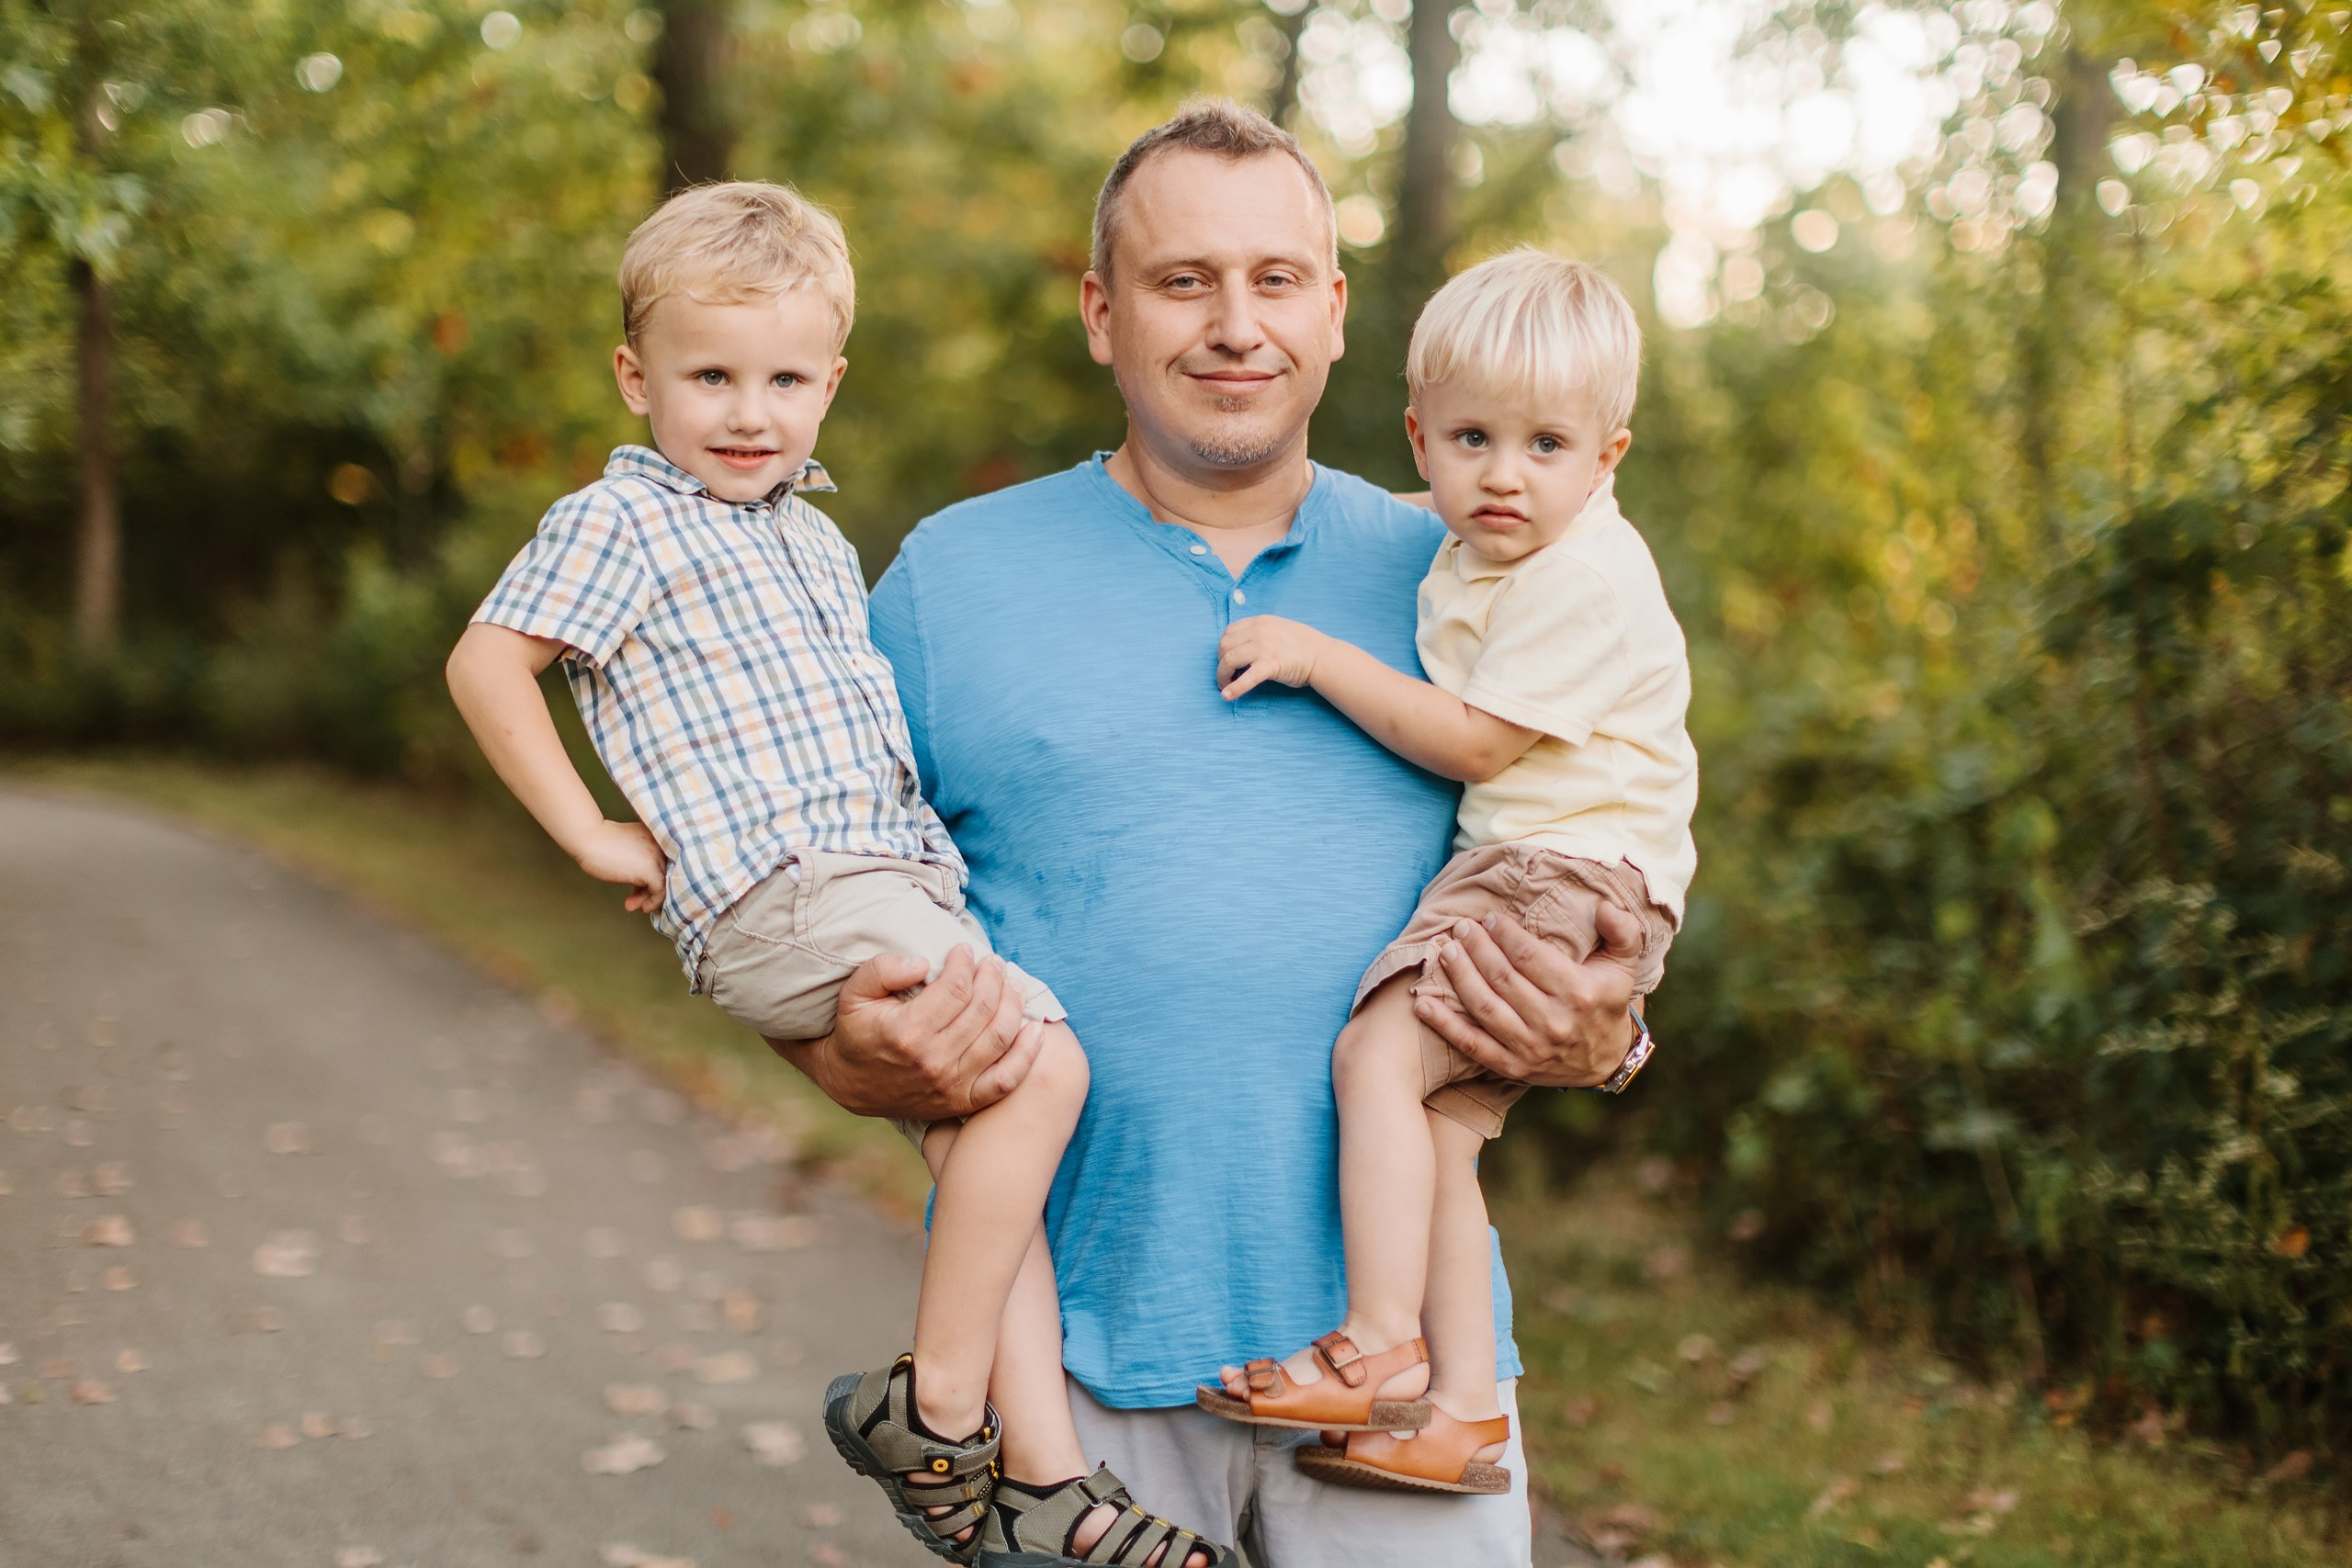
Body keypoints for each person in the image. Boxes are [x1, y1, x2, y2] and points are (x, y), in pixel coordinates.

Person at [775, 103, 1651, 1566]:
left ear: (1336, 314)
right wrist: (827, 1045)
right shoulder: (953, 580)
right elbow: (805, 888)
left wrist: (1612, 1036)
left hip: (1413, 1383)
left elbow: (1603, 846)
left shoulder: (1483, 569)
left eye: (1276, 279)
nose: (1235, 324)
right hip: (1070, 1385)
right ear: (1103, 315)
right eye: (1184, 281)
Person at [444, 181, 1228, 1568]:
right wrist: (588, 832)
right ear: (638, 378)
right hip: (785, 886)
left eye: (785, 378)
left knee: (999, 1152)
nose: (749, 412)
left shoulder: (810, 537)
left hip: (882, 883)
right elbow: (488, 659)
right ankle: (930, 1414)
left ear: (831, 382)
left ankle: (1049, 1490)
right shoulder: (623, 523)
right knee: (1046, 1071)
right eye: (710, 377)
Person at [1199, 251, 1695, 1497]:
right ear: (1420, 438)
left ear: (1610, 459)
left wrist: (1315, 653)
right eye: (1472, 439)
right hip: (1559, 870)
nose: (1504, 477)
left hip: (1555, 873)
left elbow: (1476, 740)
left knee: (1375, 1056)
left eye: (1547, 447)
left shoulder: (1583, 575)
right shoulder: (1478, 539)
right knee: (1436, 1132)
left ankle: (1377, 1344)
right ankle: (1464, 1414)